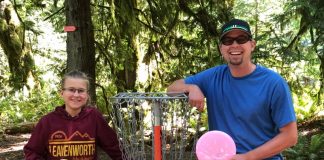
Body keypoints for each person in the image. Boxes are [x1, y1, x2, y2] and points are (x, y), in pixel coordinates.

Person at [167, 19, 298, 160]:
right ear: (221, 48)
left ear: (252, 45)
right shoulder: (213, 77)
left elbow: (290, 136)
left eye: (241, 39)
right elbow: (171, 89)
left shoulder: (273, 83)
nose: (234, 45)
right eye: (228, 41)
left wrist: (247, 157)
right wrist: (191, 87)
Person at [24, 70, 124, 160]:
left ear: (87, 94)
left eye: (81, 90)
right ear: (62, 93)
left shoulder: (94, 117)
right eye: (71, 90)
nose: (76, 95)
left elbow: (115, 147)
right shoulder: (47, 122)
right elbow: (32, 152)